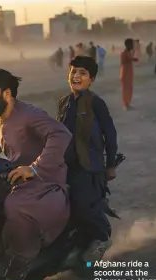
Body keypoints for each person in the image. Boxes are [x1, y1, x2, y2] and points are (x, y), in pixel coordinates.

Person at [0, 68, 71, 280]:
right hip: (20, 180)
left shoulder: (28, 115)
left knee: (14, 204)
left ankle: (21, 262)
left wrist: (35, 168)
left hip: (46, 183)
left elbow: (61, 133)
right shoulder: (0, 120)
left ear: (7, 94)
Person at [57, 56, 118, 262]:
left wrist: (110, 165)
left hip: (88, 167)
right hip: (64, 166)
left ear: (91, 79)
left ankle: (102, 238)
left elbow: (110, 134)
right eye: (73, 71)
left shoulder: (96, 103)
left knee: (82, 206)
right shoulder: (63, 103)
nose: (76, 76)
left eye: (82, 73)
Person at [120, 38, 138, 111]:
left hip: (128, 73)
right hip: (125, 73)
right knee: (126, 89)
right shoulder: (124, 53)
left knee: (129, 88)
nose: (133, 46)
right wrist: (132, 59)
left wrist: (132, 58)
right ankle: (126, 104)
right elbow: (124, 61)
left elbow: (130, 58)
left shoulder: (128, 52)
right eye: (132, 44)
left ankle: (128, 103)